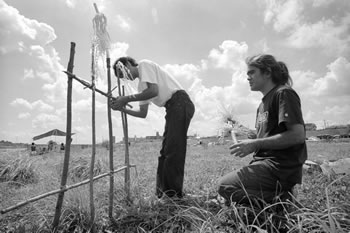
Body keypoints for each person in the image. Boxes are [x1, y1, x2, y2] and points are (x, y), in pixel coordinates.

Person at [217, 54, 307, 206]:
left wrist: (254, 144)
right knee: (227, 189)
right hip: (263, 164)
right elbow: (264, 135)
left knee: (225, 186)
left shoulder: (283, 93)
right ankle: (272, 196)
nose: (248, 77)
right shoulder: (262, 105)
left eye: (252, 72)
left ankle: (283, 200)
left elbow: (297, 135)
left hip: (279, 167)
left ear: (267, 72)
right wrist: (240, 129)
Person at [111, 57, 195, 200]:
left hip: (180, 102)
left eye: (123, 73)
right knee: (165, 152)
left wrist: (125, 99)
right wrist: (122, 109)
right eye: (121, 77)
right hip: (172, 108)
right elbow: (142, 113)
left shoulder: (144, 65)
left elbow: (153, 91)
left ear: (128, 64)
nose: (126, 78)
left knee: (173, 150)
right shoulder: (140, 88)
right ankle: (163, 192)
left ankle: (173, 195)